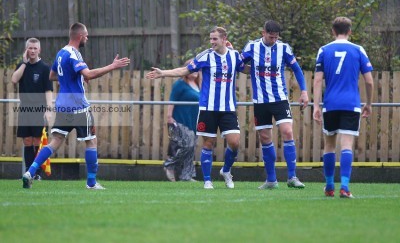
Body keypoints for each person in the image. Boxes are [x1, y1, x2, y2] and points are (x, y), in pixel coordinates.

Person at [22, 22, 131, 189]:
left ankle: (30, 172)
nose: (87, 38)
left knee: (55, 141)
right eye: (86, 35)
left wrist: (74, 78)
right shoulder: (74, 54)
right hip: (78, 106)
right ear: (80, 37)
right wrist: (112, 66)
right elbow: (89, 74)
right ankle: (91, 183)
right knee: (91, 142)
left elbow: (52, 75)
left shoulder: (61, 53)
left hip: (62, 106)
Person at [147, 26, 245, 189]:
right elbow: (185, 69)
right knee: (208, 143)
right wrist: (163, 73)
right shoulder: (205, 56)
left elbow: (246, 69)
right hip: (208, 108)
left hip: (228, 108)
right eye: (210, 38)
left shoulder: (234, 56)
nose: (212, 42)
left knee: (234, 143)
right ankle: (207, 180)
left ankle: (226, 171)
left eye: (215, 39)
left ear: (224, 39)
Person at [240, 20, 309, 190]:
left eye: (276, 37)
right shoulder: (252, 47)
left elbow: (297, 70)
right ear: (263, 33)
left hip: (280, 99)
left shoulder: (284, 48)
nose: (273, 40)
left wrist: (304, 91)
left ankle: (292, 177)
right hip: (261, 101)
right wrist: (249, 69)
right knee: (265, 137)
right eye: (271, 37)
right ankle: (271, 180)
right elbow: (238, 65)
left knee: (287, 131)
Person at [313, 17, 374, 198]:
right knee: (346, 145)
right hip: (351, 104)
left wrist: (316, 105)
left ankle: (330, 186)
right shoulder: (358, 50)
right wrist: (369, 103)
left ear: (333, 31)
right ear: (350, 31)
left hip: (330, 104)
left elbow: (317, 80)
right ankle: (345, 187)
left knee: (329, 146)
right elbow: (369, 81)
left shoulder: (324, 50)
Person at [11, 38, 53, 180]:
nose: (33, 51)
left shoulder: (45, 68)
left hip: (39, 109)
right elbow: (14, 80)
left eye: (35, 48)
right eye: (30, 48)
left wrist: (48, 109)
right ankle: (28, 173)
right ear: (26, 50)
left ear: (39, 50)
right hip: (25, 109)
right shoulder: (22, 66)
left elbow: (48, 91)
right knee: (27, 141)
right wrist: (24, 63)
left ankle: (37, 175)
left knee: (37, 141)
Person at [164, 61, 200, 182]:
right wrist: (169, 117)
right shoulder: (180, 84)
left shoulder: (196, 84)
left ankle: (187, 176)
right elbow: (172, 100)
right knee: (188, 145)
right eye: (192, 68)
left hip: (193, 121)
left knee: (191, 149)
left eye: (197, 69)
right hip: (180, 121)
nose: (195, 71)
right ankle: (170, 165)